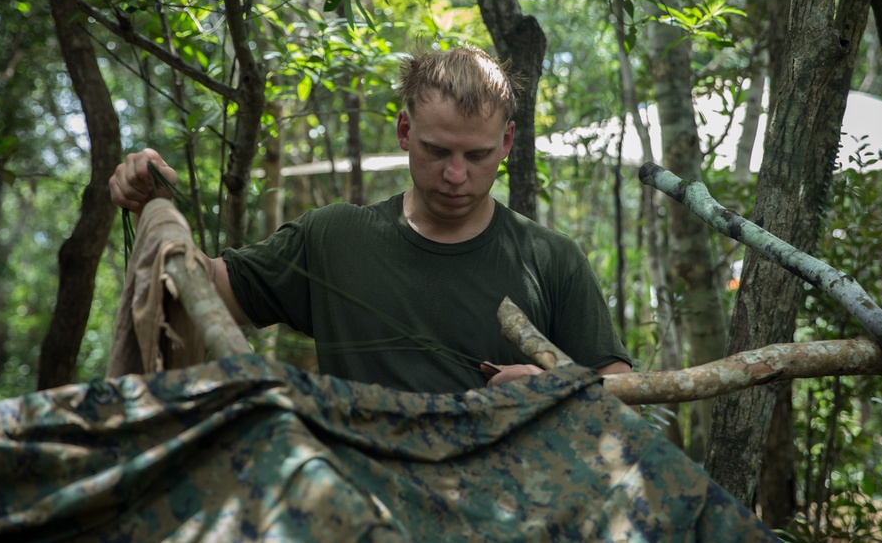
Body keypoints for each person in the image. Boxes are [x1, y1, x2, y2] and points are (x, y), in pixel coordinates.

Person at [110, 44, 632, 393]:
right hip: (359, 511)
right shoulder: (335, 238)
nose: (455, 175)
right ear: (405, 131)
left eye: (476, 156)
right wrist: (154, 208)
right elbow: (199, 293)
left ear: (507, 144)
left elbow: (621, 390)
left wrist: (553, 387)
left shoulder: (549, 259)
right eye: (436, 150)